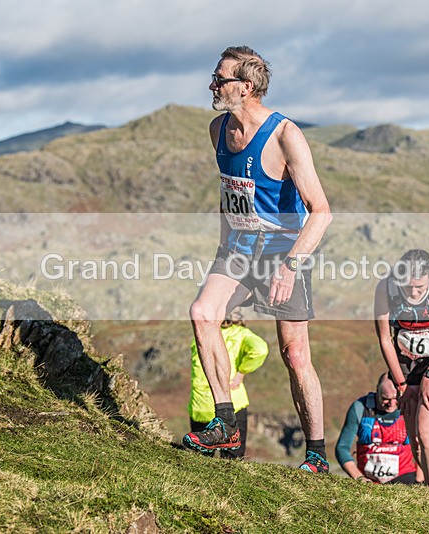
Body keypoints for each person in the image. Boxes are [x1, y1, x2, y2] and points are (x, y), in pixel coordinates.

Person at [183, 45, 333, 473]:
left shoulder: (286, 134)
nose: (212, 85)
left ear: (246, 87)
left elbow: (321, 211)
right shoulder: (217, 130)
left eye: (220, 79)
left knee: (295, 353)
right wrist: (224, 244)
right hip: (237, 247)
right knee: (202, 312)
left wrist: (290, 266)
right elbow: (228, 193)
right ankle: (225, 422)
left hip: (284, 249)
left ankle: (317, 455)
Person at [374, 249, 429, 488]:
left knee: (425, 427)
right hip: (405, 359)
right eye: (408, 287)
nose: (413, 293)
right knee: (414, 438)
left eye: (419, 288)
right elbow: (384, 339)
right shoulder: (385, 288)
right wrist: (400, 383)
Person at [188, 310, 269, 459]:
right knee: (233, 461)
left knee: (200, 463)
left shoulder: (201, 333)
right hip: (233, 405)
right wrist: (241, 372)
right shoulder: (241, 334)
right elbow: (260, 349)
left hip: (200, 406)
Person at [335, 373, 419, 484]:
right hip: (368, 482)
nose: (391, 404)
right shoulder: (360, 408)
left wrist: (421, 479)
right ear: (377, 392)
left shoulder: (410, 408)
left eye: (395, 398)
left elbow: (422, 448)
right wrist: (359, 478)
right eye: (385, 399)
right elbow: (342, 447)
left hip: (404, 479)